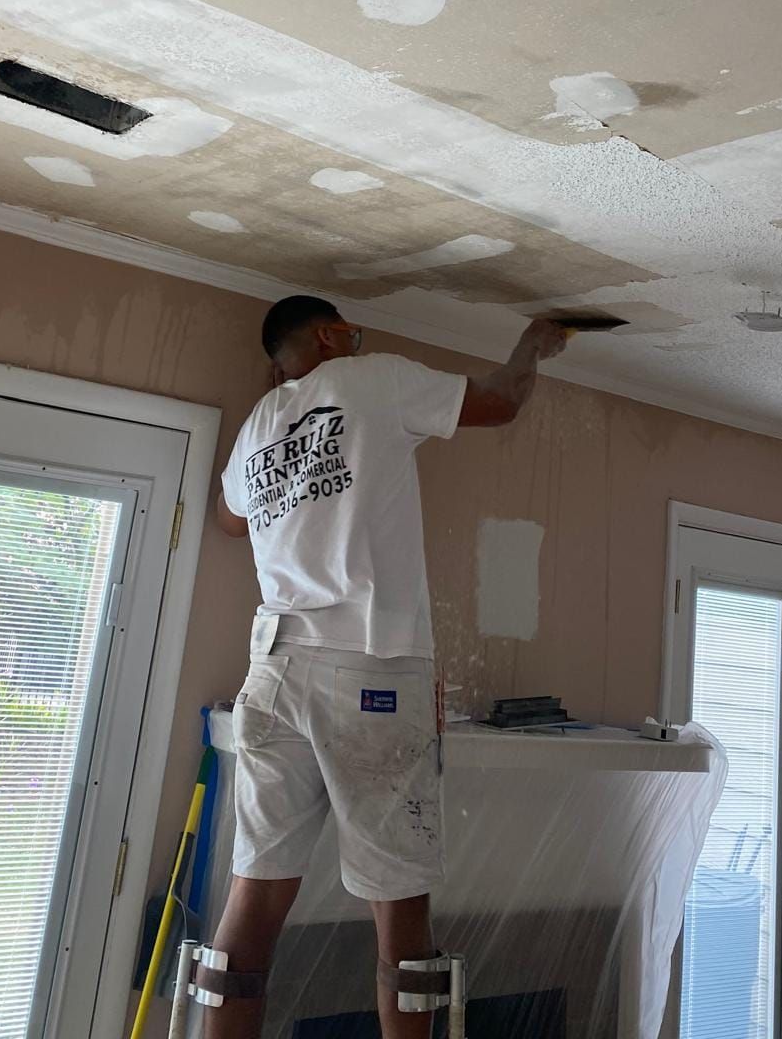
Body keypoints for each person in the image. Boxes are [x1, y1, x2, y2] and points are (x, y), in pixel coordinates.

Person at [200, 295, 568, 1037]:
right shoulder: (371, 378)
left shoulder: (258, 427)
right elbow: (498, 402)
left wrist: (286, 453)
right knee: (399, 913)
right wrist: (533, 342)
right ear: (334, 335)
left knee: (253, 900)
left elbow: (226, 517)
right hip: (369, 667)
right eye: (352, 333)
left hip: (271, 675)